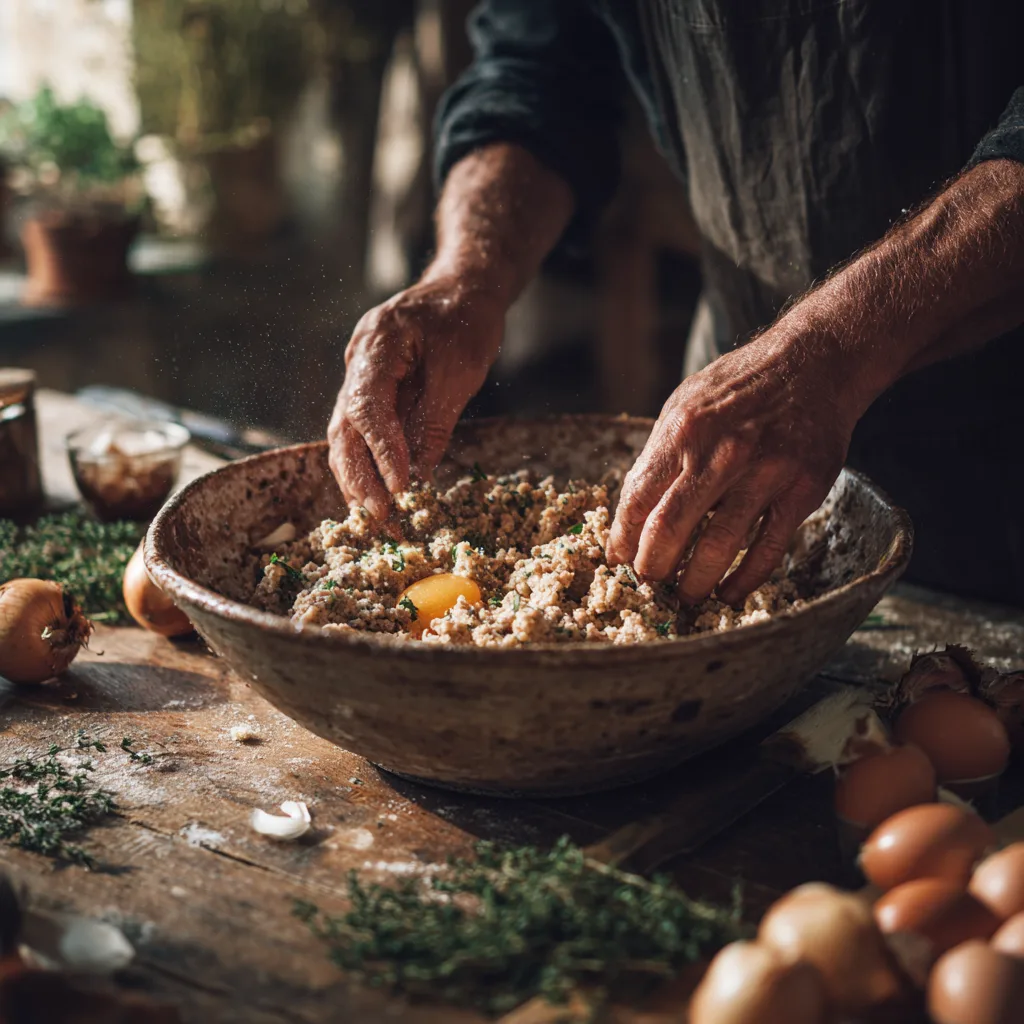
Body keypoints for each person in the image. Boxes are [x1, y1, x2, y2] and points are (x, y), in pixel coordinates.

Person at [329, 0, 1024, 608]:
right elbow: (537, 68)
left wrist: (833, 346)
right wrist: (463, 276)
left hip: (999, 435)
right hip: (740, 408)